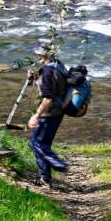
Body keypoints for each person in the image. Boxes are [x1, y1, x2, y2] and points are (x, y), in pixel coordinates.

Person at [28, 39, 69, 187]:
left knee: (35, 143)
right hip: (59, 111)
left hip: (49, 113)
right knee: (43, 144)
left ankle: (58, 164)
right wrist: (35, 79)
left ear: (41, 54)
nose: (36, 56)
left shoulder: (47, 70)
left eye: (38, 53)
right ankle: (45, 178)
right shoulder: (59, 65)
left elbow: (48, 97)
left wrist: (36, 115)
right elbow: (55, 86)